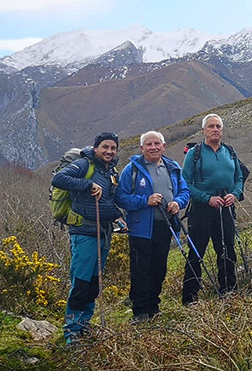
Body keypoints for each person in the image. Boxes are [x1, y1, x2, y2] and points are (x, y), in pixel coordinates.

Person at [51, 132, 122, 344]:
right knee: (81, 283)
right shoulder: (84, 164)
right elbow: (58, 178)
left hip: (104, 232)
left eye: (113, 148)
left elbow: (109, 201)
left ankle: (84, 327)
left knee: (93, 284)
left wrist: (118, 216)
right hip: (84, 233)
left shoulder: (112, 171)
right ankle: (72, 332)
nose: (109, 151)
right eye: (105, 147)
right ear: (96, 148)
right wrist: (88, 184)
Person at [118, 131, 190, 322]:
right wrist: (145, 200)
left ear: (163, 146)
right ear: (142, 148)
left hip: (165, 227)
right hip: (140, 228)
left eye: (157, 144)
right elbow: (121, 197)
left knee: (159, 268)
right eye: (148, 145)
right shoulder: (131, 170)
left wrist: (178, 202)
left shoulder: (172, 167)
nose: (153, 147)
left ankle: (154, 307)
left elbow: (184, 191)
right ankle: (140, 311)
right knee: (141, 269)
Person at [181, 113, 244, 305]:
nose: (215, 130)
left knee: (227, 252)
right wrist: (207, 198)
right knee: (196, 254)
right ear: (204, 131)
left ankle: (229, 293)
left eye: (218, 126)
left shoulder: (230, 152)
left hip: (225, 209)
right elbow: (185, 182)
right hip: (201, 211)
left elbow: (239, 178)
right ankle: (190, 299)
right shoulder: (195, 153)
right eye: (211, 127)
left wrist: (235, 194)